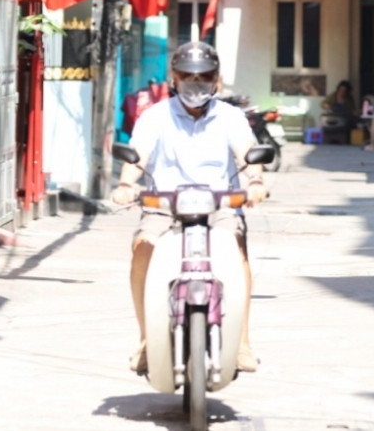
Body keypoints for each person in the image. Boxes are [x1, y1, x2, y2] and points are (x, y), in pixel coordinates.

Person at [110, 41, 269, 374]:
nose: (195, 84)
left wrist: (255, 182)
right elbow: (137, 157)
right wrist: (126, 186)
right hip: (165, 204)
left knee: (236, 251)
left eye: (204, 76)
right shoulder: (155, 115)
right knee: (143, 247)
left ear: (216, 79)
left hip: (220, 203)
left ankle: (242, 342)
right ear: (175, 78)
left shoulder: (231, 116)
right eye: (187, 76)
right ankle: (145, 341)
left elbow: (246, 153)